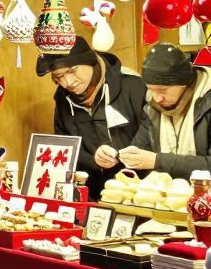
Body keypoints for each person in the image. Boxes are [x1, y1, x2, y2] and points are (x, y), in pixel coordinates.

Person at [113, 42, 211, 190]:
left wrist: (158, 161)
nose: (157, 98)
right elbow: (140, 157)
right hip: (172, 203)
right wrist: (116, 157)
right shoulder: (154, 109)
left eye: (163, 90)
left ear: (184, 83)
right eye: (151, 90)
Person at [35, 36, 146, 197]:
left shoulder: (132, 85)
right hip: (92, 194)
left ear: (90, 60)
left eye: (72, 71)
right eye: (58, 78)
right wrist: (94, 160)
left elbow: (151, 137)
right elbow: (66, 146)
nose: (67, 82)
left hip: (138, 192)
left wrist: (121, 158)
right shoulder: (62, 98)